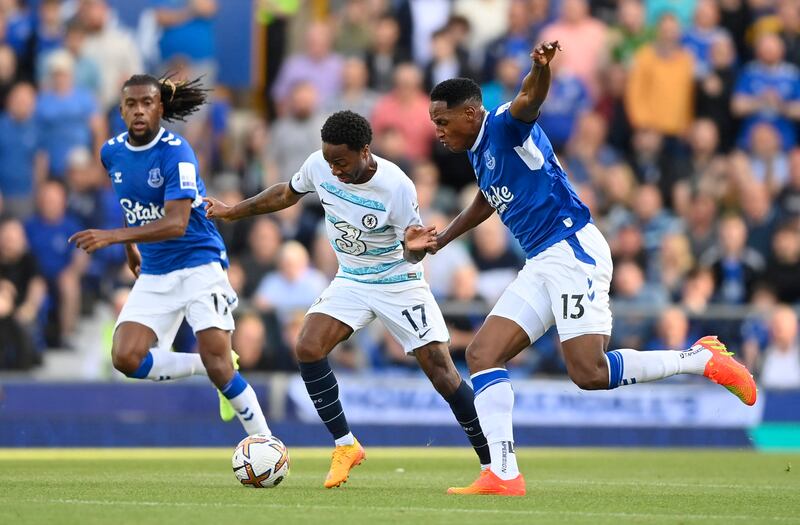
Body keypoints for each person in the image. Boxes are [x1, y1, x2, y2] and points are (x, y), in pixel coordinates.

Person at [426, 41, 757, 496]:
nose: (438, 132)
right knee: (482, 354)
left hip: (571, 248)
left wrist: (541, 69)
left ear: (469, 114)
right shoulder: (478, 151)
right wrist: (444, 238)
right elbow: (487, 197)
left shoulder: (504, 125)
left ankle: (701, 359)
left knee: (590, 373)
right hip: (542, 260)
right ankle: (503, 473)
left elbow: (530, 98)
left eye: (442, 122)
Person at [204, 110, 490, 489]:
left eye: (341, 162)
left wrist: (416, 250)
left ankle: (494, 462)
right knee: (307, 346)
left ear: (365, 151)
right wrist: (232, 211)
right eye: (329, 161)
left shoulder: (397, 186)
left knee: (441, 370)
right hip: (351, 278)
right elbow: (285, 193)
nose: (334, 170)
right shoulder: (319, 166)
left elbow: (412, 250)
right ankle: (345, 445)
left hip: (397, 280)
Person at [68, 73, 269, 438]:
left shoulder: (177, 152)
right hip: (157, 269)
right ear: (121, 110)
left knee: (221, 364)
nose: (139, 111)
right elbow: (132, 199)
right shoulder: (111, 152)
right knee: (125, 358)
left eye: (147, 103)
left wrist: (115, 236)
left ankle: (266, 443)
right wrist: (131, 246)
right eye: (132, 104)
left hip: (199, 263)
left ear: (160, 107)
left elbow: (176, 223)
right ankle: (205, 367)